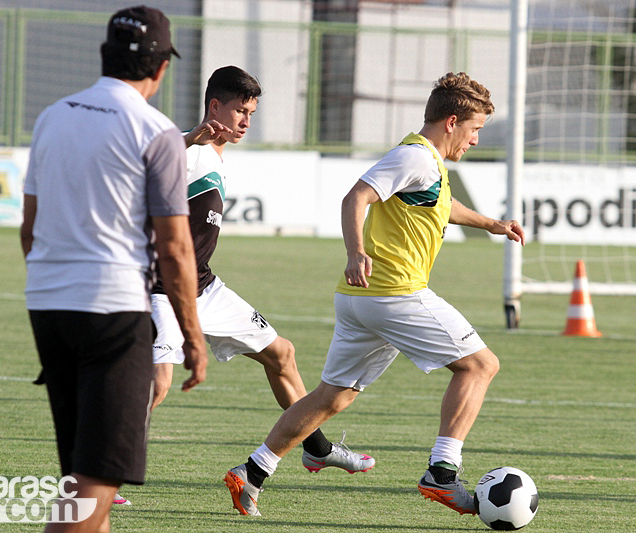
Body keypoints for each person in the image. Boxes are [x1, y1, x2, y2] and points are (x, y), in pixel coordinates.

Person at [224, 72, 525, 517]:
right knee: (480, 366)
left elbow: (442, 205)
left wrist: (493, 225)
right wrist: (356, 251)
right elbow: (356, 196)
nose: (476, 140)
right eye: (474, 129)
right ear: (451, 121)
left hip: (362, 300)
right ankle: (442, 474)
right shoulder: (416, 157)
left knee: (332, 397)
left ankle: (253, 470)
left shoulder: (428, 165)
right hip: (392, 293)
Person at [20, 6, 208, 532]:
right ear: (161, 68)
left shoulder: (52, 115)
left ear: (105, 54)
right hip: (113, 311)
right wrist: (193, 338)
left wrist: (53, 284)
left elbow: (29, 229)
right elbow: (174, 249)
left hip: (49, 306)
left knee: (82, 474)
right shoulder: (156, 130)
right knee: (97, 482)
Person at [147, 65, 375, 486]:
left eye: (251, 112)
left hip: (204, 287)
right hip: (162, 290)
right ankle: (97, 474)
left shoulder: (212, 156)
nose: (247, 121)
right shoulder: (190, 151)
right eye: (239, 111)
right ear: (215, 106)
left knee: (282, 353)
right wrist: (187, 140)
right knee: (158, 384)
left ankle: (316, 448)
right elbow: (142, 165)